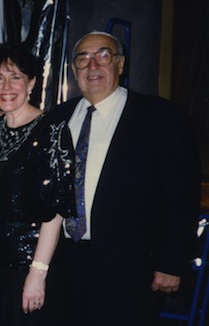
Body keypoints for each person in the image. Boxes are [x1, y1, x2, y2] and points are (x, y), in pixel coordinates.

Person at [53, 31, 200, 325]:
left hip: (129, 269)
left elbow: (181, 196)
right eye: (83, 58)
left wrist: (171, 263)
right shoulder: (57, 118)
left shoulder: (162, 117)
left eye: (103, 56)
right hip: (64, 264)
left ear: (121, 64)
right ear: (74, 70)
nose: (92, 65)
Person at [0, 43, 76, 325]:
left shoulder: (51, 129)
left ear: (31, 83)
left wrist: (37, 273)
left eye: (16, 76)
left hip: (27, 267)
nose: (6, 85)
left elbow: (54, 212)